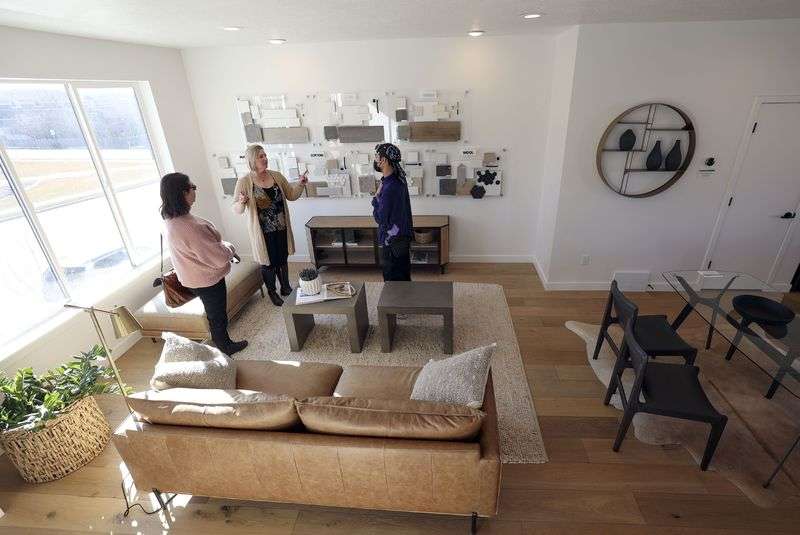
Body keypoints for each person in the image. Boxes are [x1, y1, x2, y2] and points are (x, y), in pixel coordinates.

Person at [160, 172, 247, 356]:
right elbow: (217, 257)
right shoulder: (191, 228)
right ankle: (224, 347)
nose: (195, 190)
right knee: (217, 316)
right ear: (183, 193)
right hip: (206, 280)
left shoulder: (171, 220)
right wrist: (229, 247)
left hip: (190, 277)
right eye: (193, 187)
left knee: (214, 314)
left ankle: (221, 343)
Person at [233, 144, 308, 306]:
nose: (265, 158)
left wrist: (301, 184)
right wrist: (241, 202)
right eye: (261, 156)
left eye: (265, 155)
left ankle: (286, 287)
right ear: (252, 159)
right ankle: (272, 291)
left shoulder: (276, 176)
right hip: (262, 232)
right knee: (268, 262)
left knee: (282, 258)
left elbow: (292, 195)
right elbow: (237, 209)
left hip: (281, 227)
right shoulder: (244, 181)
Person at [372, 143, 413, 281]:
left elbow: (380, 218)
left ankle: (396, 302)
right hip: (401, 238)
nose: (375, 159)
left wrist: (376, 199)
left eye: (377, 156)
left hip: (392, 241)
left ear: (383, 160)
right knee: (403, 275)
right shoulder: (399, 181)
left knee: (392, 279)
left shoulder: (389, 187)